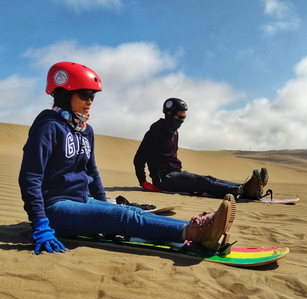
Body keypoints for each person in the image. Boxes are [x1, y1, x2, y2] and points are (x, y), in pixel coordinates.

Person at [18, 61, 236, 255]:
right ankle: (196, 233)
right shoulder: (48, 127)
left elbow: (92, 172)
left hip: (80, 200)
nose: (90, 101)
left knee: (127, 211)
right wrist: (40, 223)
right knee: (123, 218)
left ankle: (196, 227)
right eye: (84, 94)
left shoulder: (85, 130)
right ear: (64, 94)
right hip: (55, 209)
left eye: (93, 96)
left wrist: (103, 205)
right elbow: (30, 177)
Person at [134, 97, 269, 199]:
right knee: (201, 182)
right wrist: (143, 182)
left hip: (176, 172)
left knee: (208, 178)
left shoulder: (174, 133)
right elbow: (139, 159)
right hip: (164, 179)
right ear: (169, 114)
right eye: (180, 116)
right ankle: (244, 191)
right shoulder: (154, 132)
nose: (182, 120)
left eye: (184, 117)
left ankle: (247, 187)